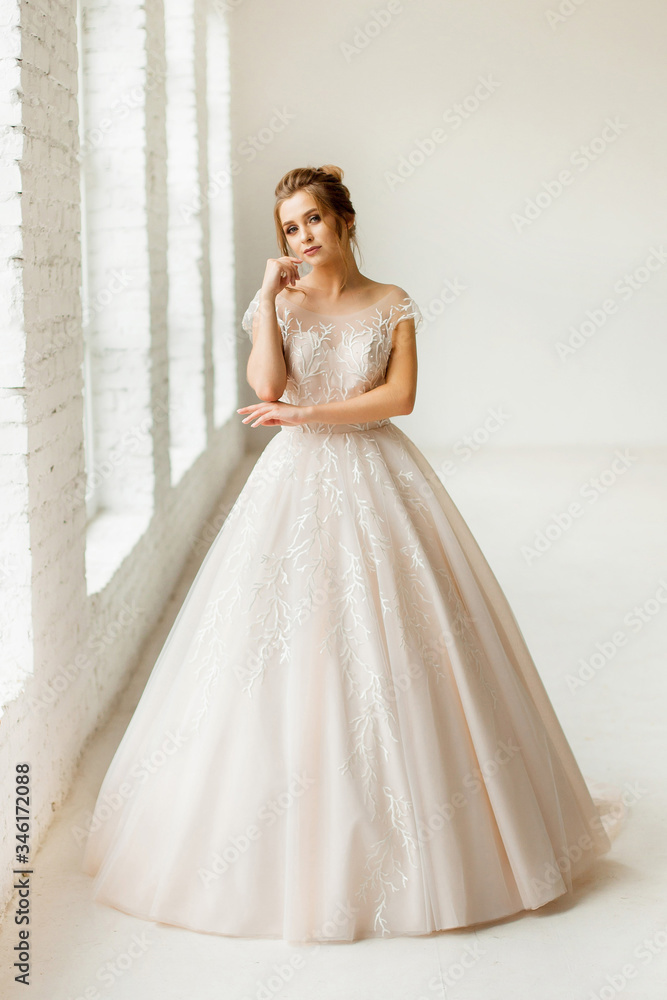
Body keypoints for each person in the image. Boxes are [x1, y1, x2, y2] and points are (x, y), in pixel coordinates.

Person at [82, 164, 625, 944]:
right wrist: (269, 299)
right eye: (288, 228)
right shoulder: (280, 301)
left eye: (311, 221)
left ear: (343, 219)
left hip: (377, 471)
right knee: (279, 644)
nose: (301, 238)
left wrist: (309, 414)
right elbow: (265, 384)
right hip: (293, 485)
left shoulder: (392, 302)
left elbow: (398, 399)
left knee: (407, 641)